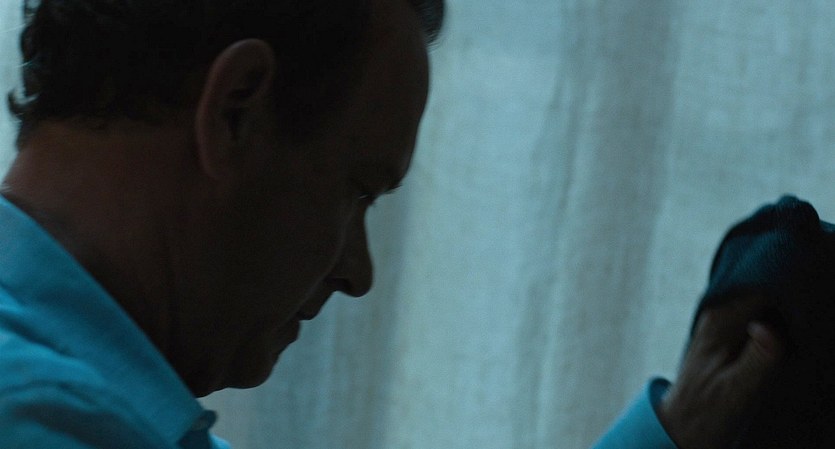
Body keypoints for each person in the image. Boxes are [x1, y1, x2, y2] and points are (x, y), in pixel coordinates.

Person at [0, 0, 783, 447]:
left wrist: (675, 431)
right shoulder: (49, 418)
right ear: (235, 108)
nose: (358, 271)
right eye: (356, 191)